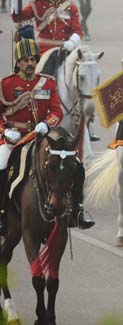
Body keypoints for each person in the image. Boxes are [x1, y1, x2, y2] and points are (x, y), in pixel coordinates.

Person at [0, 39, 93, 234]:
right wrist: (5, 131)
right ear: (18, 62)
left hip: (41, 135)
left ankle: (77, 210)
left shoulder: (47, 82)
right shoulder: (6, 84)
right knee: (0, 163)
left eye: (33, 59)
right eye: (25, 60)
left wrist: (46, 123)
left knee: (75, 164)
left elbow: (56, 111)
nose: (30, 64)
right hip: (13, 138)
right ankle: (2, 214)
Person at [11, 0, 82, 55]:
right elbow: (17, 18)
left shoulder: (70, 7)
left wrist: (72, 42)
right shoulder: (38, 4)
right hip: (43, 51)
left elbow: (78, 31)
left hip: (64, 49)